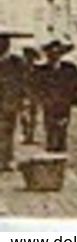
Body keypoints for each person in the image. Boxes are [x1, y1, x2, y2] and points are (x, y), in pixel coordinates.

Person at [36, 42, 77, 153]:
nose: (53, 57)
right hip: (49, 104)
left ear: (60, 55)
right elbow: (34, 85)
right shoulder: (42, 70)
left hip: (64, 104)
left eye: (56, 54)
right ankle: (51, 152)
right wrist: (42, 97)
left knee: (62, 130)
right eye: (50, 55)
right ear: (47, 56)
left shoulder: (69, 68)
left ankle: (60, 153)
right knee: (50, 129)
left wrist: (71, 92)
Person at [0, 36, 27, 170]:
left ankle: (6, 159)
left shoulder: (17, 62)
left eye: (3, 43)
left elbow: (24, 83)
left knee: (8, 132)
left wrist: (23, 103)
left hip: (10, 102)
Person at [19, 47, 41, 144]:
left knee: (32, 116)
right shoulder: (21, 69)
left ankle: (30, 135)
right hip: (23, 94)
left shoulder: (36, 70)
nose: (29, 59)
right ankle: (26, 133)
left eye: (31, 58)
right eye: (27, 57)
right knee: (24, 115)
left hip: (34, 95)